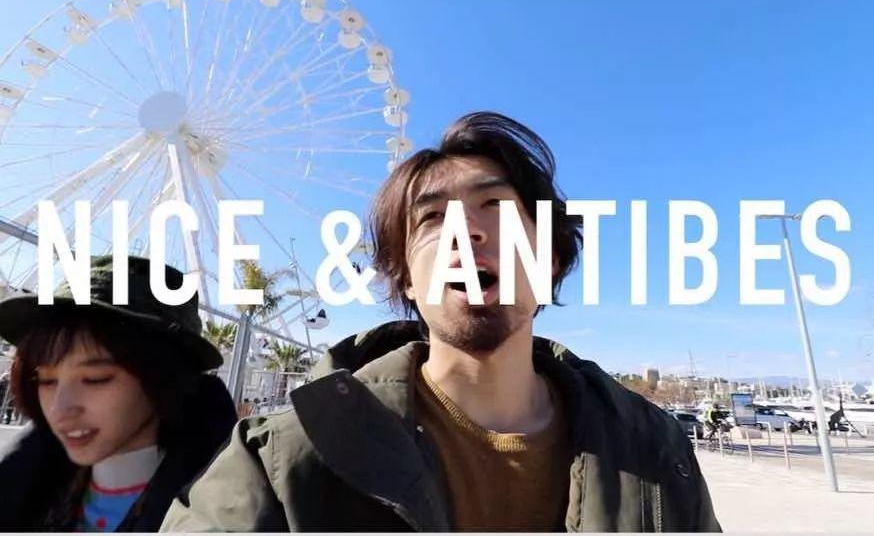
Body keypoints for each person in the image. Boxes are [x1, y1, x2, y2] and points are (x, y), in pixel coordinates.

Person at [161, 111, 721, 531]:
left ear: (550, 260)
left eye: (495, 207)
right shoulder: (282, 458)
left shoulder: (656, 451)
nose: (465, 231)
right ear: (405, 277)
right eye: (431, 218)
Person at [0, 255, 237, 531]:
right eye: (46, 381)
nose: (59, 408)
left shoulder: (233, 515)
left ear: (164, 378)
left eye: (95, 379)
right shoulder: (23, 488)